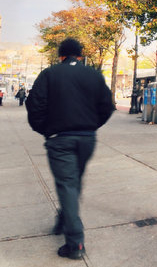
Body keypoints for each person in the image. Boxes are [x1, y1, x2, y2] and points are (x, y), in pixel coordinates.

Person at [26, 38, 114, 260]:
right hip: (87, 139)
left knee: (67, 184)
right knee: (73, 183)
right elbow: (107, 105)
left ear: (61, 56)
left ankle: (75, 244)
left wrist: (46, 129)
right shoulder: (94, 75)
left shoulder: (49, 74)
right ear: (80, 55)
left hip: (60, 139)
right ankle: (65, 218)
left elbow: (34, 104)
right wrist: (91, 125)